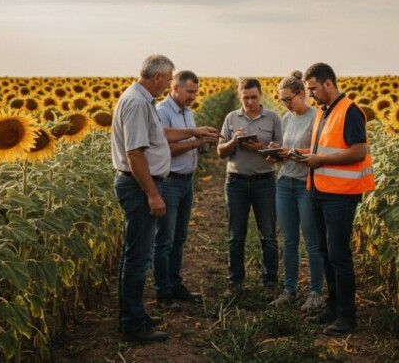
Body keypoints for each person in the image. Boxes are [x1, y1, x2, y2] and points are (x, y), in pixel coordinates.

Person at [111, 55, 217, 342]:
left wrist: (194, 131)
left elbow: (160, 133)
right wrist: (153, 194)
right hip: (138, 186)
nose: (170, 83)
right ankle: (133, 324)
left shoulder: (140, 100)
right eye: (169, 79)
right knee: (138, 257)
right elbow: (135, 154)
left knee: (136, 255)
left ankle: (134, 315)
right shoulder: (136, 102)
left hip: (140, 185)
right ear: (157, 77)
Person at [298, 63, 375, 336]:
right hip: (320, 189)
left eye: (313, 89)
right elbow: (323, 150)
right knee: (325, 253)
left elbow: (358, 151)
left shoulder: (351, 111)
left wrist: (320, 159)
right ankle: (333, 306)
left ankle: (347, 316)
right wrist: (298, 152)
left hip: (341, 195)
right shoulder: (323, 112)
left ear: (328, 84)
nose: (311, 95)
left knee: (339, 255)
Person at [154, 70, 219, 310]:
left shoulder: (188, 112)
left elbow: (189, 144)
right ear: (175, 88)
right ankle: (163, 293)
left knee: (179, 238)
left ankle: (174, 284)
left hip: (186, 182)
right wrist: (196, 141)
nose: (194, 96)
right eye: (190, 91)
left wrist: (204, 144)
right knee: (164, 240)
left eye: (196, 92)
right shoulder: (162, 112)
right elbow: (164, 149)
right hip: (169, 182)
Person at [217, 77, 282, 299]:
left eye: (254, 97)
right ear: (240, 97)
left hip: (265, 182)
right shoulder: (231, 118)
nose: (250, 102)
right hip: (236, 181)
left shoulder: (273, 118)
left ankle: (270, 282)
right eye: (246, 98)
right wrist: (234, 141)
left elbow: (280, 152)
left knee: (268, 235)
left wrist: (263, 147)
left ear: (260, 96)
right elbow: (220, 151)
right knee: (236, 235)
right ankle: (235, 282)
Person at [266, 71, 326, 313]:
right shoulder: (286, 118)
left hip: (306, 184)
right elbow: (287, 150)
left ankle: (315, 293)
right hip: (285, 182)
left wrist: (288, 151)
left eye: (288, 99)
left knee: (312, 241)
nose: (285, 104)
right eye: (282, 100)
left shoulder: (317, 117)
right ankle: (289, 291)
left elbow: (317, 151)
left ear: (302, 94)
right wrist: (275, 151)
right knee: (289, 241)